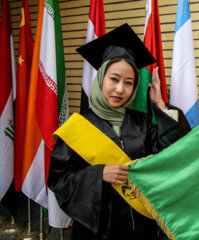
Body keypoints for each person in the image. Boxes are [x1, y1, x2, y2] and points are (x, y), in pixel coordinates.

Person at [47, 24, 190, 240]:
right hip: (95, 231)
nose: (120, 89)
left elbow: (170, 159)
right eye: (114, 79)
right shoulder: (77, 128)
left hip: (139, 229)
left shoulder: (143, 123)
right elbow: (60, 179)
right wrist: (98, 174)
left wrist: (160, 104)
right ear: (101, 78)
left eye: (129, 83)